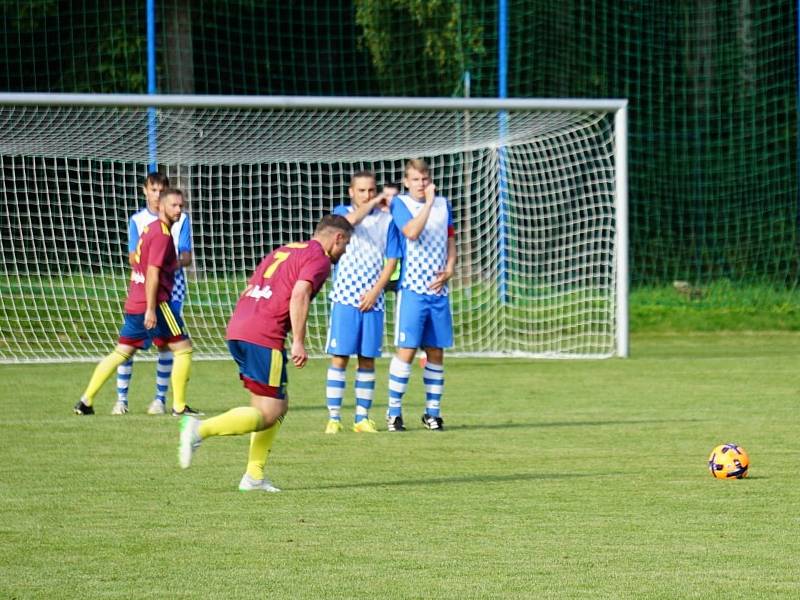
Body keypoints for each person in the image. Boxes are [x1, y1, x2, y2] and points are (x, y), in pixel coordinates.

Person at [178, 214, 353, 492]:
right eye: (345, 246)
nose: (343, 253)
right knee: (269, 412)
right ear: (338, 238)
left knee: (274, 404)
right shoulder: (319, 259)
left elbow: (250, 286)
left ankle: (254, 477)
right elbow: (299, 294)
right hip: (264, 334)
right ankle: (198, 430)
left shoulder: (285, 250)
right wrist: (298, 341)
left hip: (240, 325)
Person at [74, 189, 199, 417]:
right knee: (183, 348)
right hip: (156, 304)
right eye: (173, 205)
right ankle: (179, 406)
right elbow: (152, 273)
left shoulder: (150, 230)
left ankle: (86, 400)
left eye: (181, 205)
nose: (179, 210)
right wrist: (152, 309)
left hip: (136, 300)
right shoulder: (161, 235)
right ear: (161, 206)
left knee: (122, 351)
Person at [324, 172, 401, 434]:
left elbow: (391, 260)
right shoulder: (341, 213)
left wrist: (375, 292)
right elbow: (351, 221)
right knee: (340, 358)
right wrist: (377, 200)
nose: (367, 195)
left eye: (371, 190)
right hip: (345, 298)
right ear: (351, 192)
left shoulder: (387, 220)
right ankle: (334, 418)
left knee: (367, 360)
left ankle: (361, 418)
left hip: (373, 300)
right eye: (362, 191)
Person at [112, 172, 194, 416]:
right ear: (145, 191)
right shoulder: (137, 220)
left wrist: (169, 264)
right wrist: (154, 265)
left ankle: (159, 399)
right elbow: (132, 257)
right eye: (153, 190)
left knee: (166, 345)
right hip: (143, 290)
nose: (157, 195)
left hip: (173, 291)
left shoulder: (181, 218)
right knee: (129, 346)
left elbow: (186, 255)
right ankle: (121, 399)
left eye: (162, 190)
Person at [386, 159, 456, 432]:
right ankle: (394, 412)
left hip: (438, 291)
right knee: (406, 351)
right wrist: (427, 203)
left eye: (425, 179)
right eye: (415, 179)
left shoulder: (444, 204)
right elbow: (412, 233)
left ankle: (432, 413)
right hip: (413, 290)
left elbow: (450, 239)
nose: (421, 184)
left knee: (436, 352)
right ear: (406, 182)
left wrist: (450, 267)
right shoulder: (401, 204)